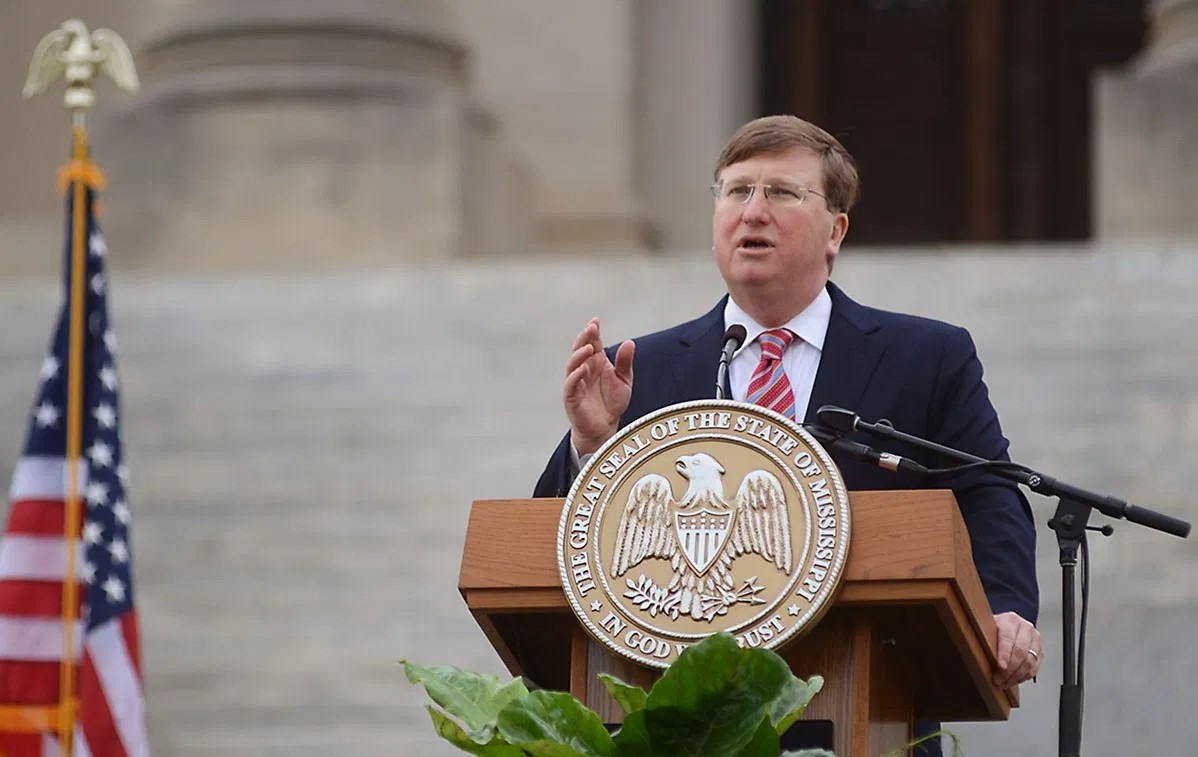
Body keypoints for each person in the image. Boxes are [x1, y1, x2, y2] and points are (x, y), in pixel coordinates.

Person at [533, 115, 1041, 755]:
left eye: (780, 192)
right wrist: (590, 446)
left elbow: (988, 491)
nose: (753, 211)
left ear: (836, 230)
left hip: (869, 699)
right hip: (676, 719)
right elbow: (558, 547)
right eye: (736, 191)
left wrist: (1004, 606)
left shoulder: (926, 357)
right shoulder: (641, 369)